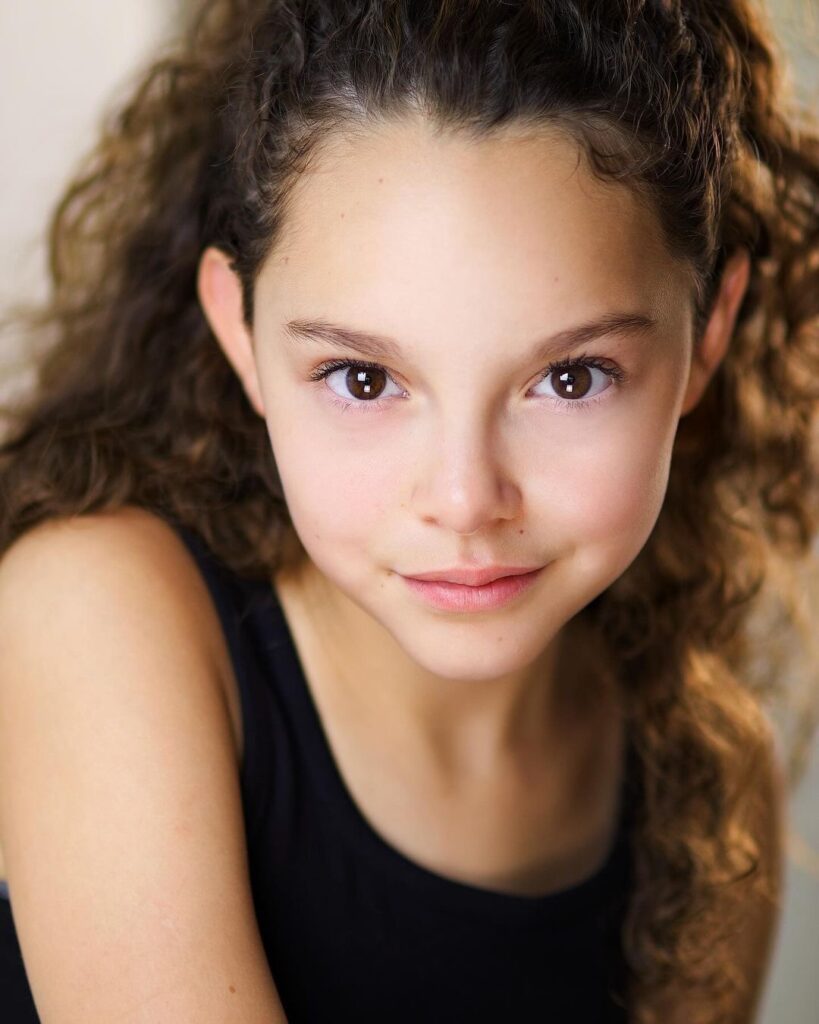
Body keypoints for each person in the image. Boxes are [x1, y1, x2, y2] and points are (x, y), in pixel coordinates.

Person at [0, 0, 816, 1020]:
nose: (466, 500)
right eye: (362, 378)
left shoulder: (707, 788)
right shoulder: (101, 613)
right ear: (241, 335)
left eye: (570, 378)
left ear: (708, 334)